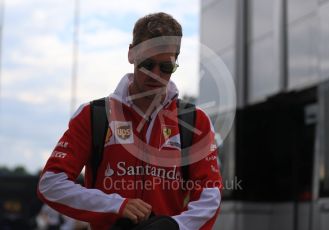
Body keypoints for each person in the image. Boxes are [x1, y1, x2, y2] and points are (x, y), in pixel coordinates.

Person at [37, 12, 223, 230]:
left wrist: (174, 226)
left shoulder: (194, 121)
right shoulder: (94, 115)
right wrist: (116, 205)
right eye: (147, 64)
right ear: (131, 54)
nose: (155, 74)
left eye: (166, 67)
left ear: (176, 62)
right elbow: (50, 183)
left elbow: (211, 193)